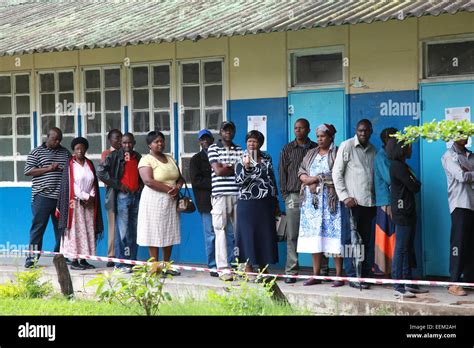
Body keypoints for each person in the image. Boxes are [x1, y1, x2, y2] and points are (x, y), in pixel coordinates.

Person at [280, 119, 329, 284]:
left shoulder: (315, 149)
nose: (297, 131)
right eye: (295, 128)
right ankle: (291, 271)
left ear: (308, 130)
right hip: (293, 196)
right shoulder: (287, 149)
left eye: (301, 128)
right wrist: (285, 195)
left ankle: (322, 270)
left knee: (318, 231)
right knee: (292, 234)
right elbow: (282, 173)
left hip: (314, 196)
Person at [297, 124, 344, 287]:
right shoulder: (311, 153)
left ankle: (339, 274)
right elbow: (301, 170)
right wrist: (306, 179)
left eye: (323, 136)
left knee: (333, 236)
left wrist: (315, 179)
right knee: (315, 238)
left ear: (331, 137)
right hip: (312, 204)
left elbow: (338, 173)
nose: (319, 139)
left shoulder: (336, 153)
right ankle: (316, 274)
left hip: (331, 201)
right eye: (317, 136)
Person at [333, 119, 377, 289]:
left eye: (366, 130)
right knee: (350, 241)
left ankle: (364, 275)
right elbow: (337, 174)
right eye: (360, 130)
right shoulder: (347, 146)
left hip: (369, 203)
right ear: (356, 131)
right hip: (352, 204)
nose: (363, 133)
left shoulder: (373, 150)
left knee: (366, 241)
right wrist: (345, 197)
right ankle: (352, 275)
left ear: (371, 131)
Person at [137, 131, 184, 276]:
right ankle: (154, 266)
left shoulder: (170, 158)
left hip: (170, 201)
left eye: (162, 141)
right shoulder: (146, 160)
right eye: (156, 142)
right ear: (149, 145)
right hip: (153, 199)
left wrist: (177, 188)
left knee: (168, 231)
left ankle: (166, 265)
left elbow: (180, 178)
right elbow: (148, 181)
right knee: (154, 231)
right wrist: (169, 190)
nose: (160, 144)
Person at [24, 127, 71, 268]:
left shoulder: (65, 153)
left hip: (60, 198)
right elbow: (28, 171)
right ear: (47, 137)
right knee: (38, 228)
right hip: (42, 196)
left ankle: (60, 256)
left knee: (61, 229)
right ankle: (32, 259)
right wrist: (49, 168)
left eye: (59, 140)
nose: (56, 142)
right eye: (54, 139)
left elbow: (71, 171)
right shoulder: (36, 152)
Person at [235, 130, 279, 279]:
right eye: (249, 141)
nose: (252, 144)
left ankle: (263, 268)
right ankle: (248, 268)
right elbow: (239, 182)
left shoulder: (267, 157)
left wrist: (275, 199)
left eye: (254, 141)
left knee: (264, 236)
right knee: (247, 236)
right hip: (248, 203)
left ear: (260, 143)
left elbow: (271, 178)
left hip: (265, 203)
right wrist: (247, 168)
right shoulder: (241, 158)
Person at [190, 129, 234, 277]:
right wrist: (216, 181)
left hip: (223, 199)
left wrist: (221, 176)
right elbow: (196, 181)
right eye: (203, 139)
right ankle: (213, 266)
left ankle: (229, 264)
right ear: (199, 142)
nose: (206, 141)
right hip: (206, 202)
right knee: (211, 235)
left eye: (208, 138)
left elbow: (229, 171)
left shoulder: (221, 154)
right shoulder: (196, 159)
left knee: (229, 234)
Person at [387, 138, 427, 298]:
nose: (411, 149)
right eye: (409, 147)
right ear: (401, 149)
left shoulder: (403, 166)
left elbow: (415, 184)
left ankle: (408, 283)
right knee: (401, 248)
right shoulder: (397, 166)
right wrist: (415, 182)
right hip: (402, 212)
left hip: (408, 211)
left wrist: (415, 182)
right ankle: (398, 285)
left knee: (408, 248)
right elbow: (414, 186)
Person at [56, 137, 103, 270]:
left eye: (82, 148)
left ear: (86, 149)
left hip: (89, 205)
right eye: (77, 148)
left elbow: (93, 181)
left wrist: (92, 197)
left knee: (88, 231)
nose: (80, 151)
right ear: (73, 150)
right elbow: (71, 185)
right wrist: (85, 196)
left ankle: (84, 259)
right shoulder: (70, 165)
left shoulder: (89, 163)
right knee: (75, 231)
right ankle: (74, 260)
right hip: (75, 205)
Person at [97, 133, 142, 273]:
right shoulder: (114, 156)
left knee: (133, 231)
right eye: (124, 143)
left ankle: (132, 261)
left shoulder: (137, 157)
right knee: (122, 230)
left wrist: (140, 186)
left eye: (129, 142)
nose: (127, 145)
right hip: (122, 196)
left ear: (134, 143)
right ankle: (121, 263)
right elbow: (101, 172)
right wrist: (118, 185)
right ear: (121, 143)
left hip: (136, 196)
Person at [207, 121, 243, 281]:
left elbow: (242, 171)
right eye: (225, 130)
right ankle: (223, 268)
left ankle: (241, 265)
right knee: (220, 231)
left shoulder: (239, 149)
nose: (228, 132)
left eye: (231, 130)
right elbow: (219, 171)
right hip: (220, 196)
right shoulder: (213, 148)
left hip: (238, 195)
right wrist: (232, 168)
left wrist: (228, 167)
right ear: (220, 132)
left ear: (234, 131)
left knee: (239, 232)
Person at [441, 137, 474, 296]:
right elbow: (461, 176)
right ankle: (453, 283)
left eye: (467, 132)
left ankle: (469, 280)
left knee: (471, 245)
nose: (465, 136)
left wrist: (469, 173)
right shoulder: (449, 156)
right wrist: (468, 173)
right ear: (454, 135)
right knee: (458, 244)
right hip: (460, 204)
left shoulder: (470, 155)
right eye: (461, 132)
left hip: (472, 204)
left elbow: (467, 176)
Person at [373, 127, 398, 276]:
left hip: (393, 201)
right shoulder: (381, 157)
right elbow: (390, 179)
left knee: (395, 239)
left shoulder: (392, 156)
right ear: (386, 141)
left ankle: (395, 272)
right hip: (386, 202)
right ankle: (386, 274)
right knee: (386, 240)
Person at [100, 129, 122, 267]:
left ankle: (124, 254)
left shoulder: (126, 153)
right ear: (110, 140)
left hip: (126, 193)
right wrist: (118, 184)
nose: (119, 141)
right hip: (112, 193)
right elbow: (104, 175)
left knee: (125, 225)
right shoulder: (107, 154)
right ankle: (111, 255)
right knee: (113, 224)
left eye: (121, 138)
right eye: (116, 138)